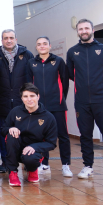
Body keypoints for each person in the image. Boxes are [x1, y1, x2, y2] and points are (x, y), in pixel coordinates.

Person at [67, 19, 103, 182]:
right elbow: (71, 74)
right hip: (82, 102)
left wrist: (102, 86)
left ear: (92, 30)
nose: (83, 31)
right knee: (85, 135)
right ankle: (88, 166)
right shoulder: (72, 52)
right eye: (80, 29)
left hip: (102, 100)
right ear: (77, 32)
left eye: (86, 28)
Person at [27, 36, 72, 177]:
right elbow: (29, 85)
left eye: (44, 44)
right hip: (39, 107)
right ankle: (44, 164)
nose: (42, 46)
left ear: (50, 46)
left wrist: (59, 99)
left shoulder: (58, 61)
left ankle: (66, 165)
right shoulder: (31, 63)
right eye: (39, 44)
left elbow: (65, 84)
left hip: (57, 105)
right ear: (36, 47)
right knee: (41, 136)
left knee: (63, 135)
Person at [0, 83, 58, 186]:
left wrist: (34, 147)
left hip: (34, 151)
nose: (29, 99)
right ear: (22, 98)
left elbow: (51, 143)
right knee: (11, 135)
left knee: (30, 157)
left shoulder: (48, 117)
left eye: (32, 96)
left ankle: (32, 170)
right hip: (16, 149)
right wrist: (10, 128)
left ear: (38, 96)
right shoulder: (15, 112)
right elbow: (3, 129)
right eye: (25, 96)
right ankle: (13, 172)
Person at [0, 29, 33, 173]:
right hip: (3, 101)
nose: (8, 40)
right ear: (2, 40)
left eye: (11, 38)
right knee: (4, 132)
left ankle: (25, 159)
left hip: (21, 102)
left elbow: (31, 78)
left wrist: (28, 98)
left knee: (25, 132)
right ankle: (6, 161)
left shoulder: (26, 54)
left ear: (16, 39)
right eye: (5, 38)